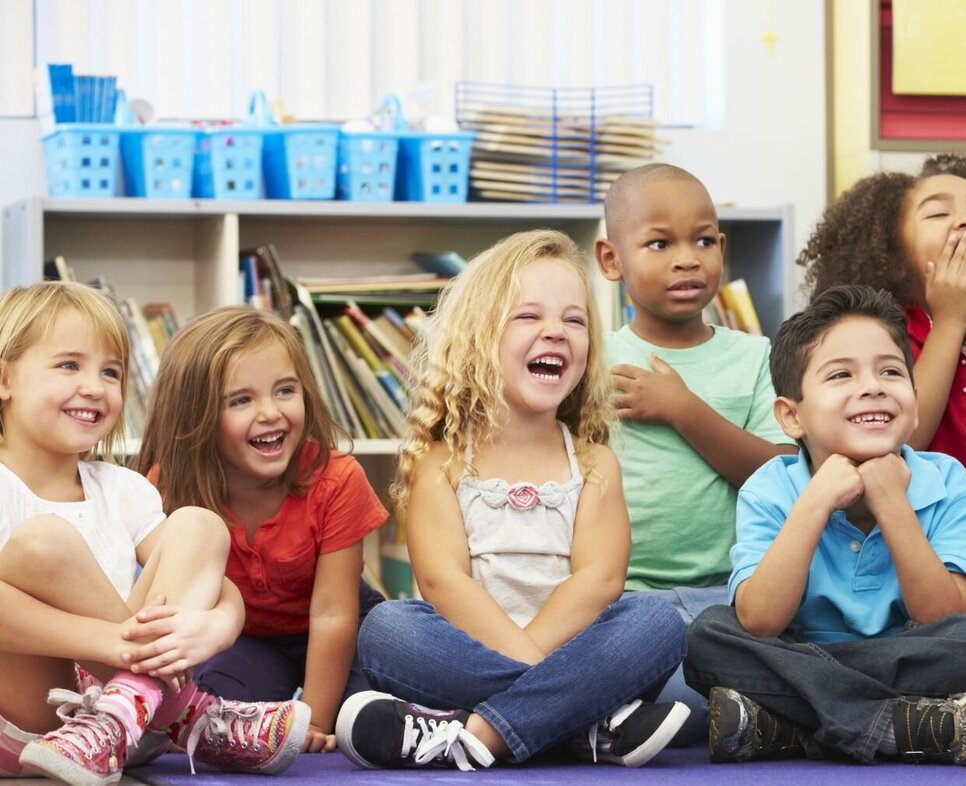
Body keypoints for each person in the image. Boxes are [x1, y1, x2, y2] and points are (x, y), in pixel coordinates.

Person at [335, 230, 689, 772]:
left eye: (574, 321)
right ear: (478, 338)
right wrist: (537, 669)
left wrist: (543, 657)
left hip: (577, 650)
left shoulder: (594, 465)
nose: (555, 332)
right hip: (471, 655)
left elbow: (598, 582)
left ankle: (469, 732)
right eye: (528, 317)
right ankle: (586, 724)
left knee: (658, 621)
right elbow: (443, 583)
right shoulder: (443, 463)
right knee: (387, 631)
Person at [684, 284, 966, 766]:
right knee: (709, 636)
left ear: (914, 403)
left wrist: (892, 503)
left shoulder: (948, 480)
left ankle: (790, 727)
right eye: (841, 375)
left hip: (902, 653)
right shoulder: (769, 488)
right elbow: (761, 620)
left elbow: (943, 615)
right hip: (800, 649)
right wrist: (815, 502)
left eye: (890, 371)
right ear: (791, 416)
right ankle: (900, 725)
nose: (873, 386)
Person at [0, 282, 308, 785]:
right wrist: (121, 646)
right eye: (69, 365)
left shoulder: (123, 489)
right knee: (45, 542)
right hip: (27, 715)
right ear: (4, 378)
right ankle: (187, 714)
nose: (95, 386)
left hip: (124, 717)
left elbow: (210, 571)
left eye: (111, 372)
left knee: (200, 523)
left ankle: (130, 707)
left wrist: (220, 627)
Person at [595, 162, 795, 741]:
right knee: (617, 670)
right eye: (659, 243)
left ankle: (650, 716)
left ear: (722, 249)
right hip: (621, 599)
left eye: (703, 240)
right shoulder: (593, 358)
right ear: (612, 260)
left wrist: (683, 409)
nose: (688, 258)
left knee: (733, 677)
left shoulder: (758, 356)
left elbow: (781, 474)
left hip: (730, 598)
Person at [136, 306, 387, 754]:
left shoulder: (338, 479)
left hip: (342, 626)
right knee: (217, 712)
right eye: (241, 399)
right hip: (245, 633)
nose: (270, 413)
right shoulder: (168, 487)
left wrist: (314, 718)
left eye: (285, 391)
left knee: (363, 717)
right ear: (195, 416)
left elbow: (332, 615)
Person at [797, 154, 966, 506]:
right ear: (895, 258)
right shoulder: (881, 333)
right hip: (921, 525)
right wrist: (951, 322)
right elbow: (901, 440)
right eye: (938, 214)